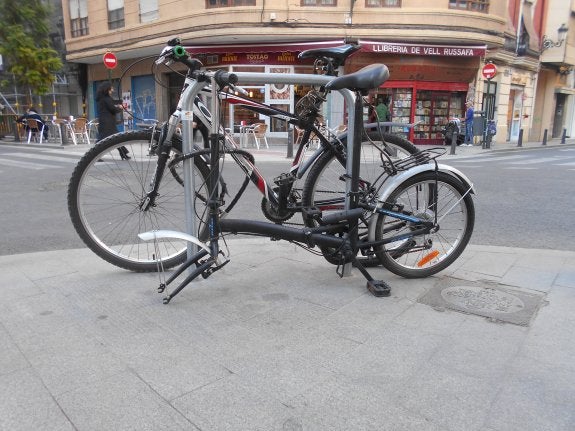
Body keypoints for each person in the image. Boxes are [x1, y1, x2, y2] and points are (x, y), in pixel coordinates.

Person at [96, 82, 129, 159]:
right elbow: (113, 109)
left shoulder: (103, 98)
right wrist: (120, 107)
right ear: (108, 89)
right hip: (107, 123)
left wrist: (117, 106)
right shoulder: (106, 99)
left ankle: (123, 154)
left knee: (114, 138)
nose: (113, 90)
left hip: (106, 121)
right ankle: (94, 155)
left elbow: (110, 107)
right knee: (106, 139)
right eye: (112, 88)